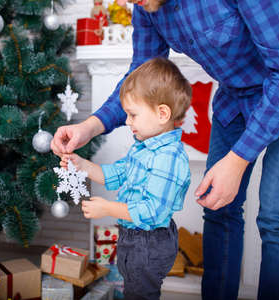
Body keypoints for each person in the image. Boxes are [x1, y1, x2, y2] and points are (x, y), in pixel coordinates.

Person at [51, 1, 279, 299]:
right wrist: (88, 127)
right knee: (218, 208)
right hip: (235, 98)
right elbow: (139, 77)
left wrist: (237, 160)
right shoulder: (145, 6)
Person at [60, 57, 192, 300]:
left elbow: (152, 211)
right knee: (131, 287)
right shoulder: (143, 148)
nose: (127, 122)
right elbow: (115, 175)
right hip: (133, 236)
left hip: (150, 242)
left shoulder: (168, 157)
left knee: (140, 293)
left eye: (132, 115)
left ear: (162, 113)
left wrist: (107, 208)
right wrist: (82, 165)